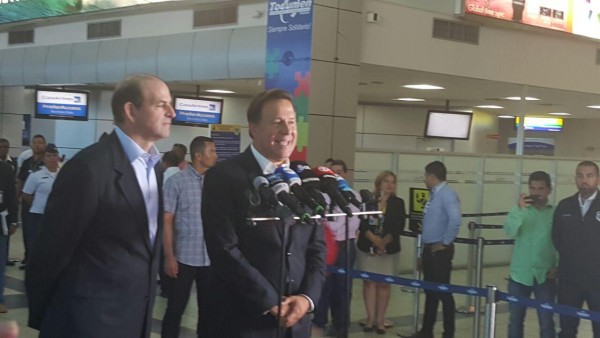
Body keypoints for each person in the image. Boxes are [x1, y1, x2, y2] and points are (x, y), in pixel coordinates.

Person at [25, 74, 175, 338]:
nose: (172, 112)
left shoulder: (155, 168)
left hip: (133, 318)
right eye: (161, 105)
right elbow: (49, 253)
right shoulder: (90, 168)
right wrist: (49, 318)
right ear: (130, 110)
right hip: (86, 322)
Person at [200, 88, 326, 337]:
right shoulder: (224, 177)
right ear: (254, 128)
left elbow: (316, 248)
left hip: (297, 323)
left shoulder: (303, 179)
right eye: (277, 122)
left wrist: (306, 298)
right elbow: (223, 248)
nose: (287, 131)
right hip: (241, 320)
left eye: (291, 122)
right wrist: (270, 301)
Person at [161, 136, 217, 338]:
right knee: (175, 309)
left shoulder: (216, 182)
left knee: (209, 312)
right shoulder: (176, 182)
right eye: (212, 151)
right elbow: (166, 220)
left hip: (210, 258)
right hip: (184, 257)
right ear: (198, 155)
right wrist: (169, 256)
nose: (216, 156)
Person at [403, 161, 461, 338]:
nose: (424, 180)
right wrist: (422, 253)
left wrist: (445, 242)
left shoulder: (447, 194)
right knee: (431, 292)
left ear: (432, 176)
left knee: (444, 293)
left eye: (425, 176)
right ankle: (426, 331)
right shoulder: (435, 194)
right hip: (430, 250)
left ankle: (448, 333)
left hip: (440, 252)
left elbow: (455, 220)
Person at [504, 171, 557, 338]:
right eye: (533, 188)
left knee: (547, 322)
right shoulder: (520, 210)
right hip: (520, 274)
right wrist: (519, 209)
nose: (536, 193)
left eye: (541, 188)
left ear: (549, 190)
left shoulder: (555, 213)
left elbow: (563, 242)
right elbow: (509, 230)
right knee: (515, 321)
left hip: (545, 275)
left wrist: (557, 266)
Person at [312, 159, 361, 337]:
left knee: (343, 289)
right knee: (324, 287)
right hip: (327, 245)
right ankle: (319, 323)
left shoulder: (352, 194)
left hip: (345, 245)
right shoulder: (321, 196)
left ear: (345, 174)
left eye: (339, 171)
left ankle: (341, 326)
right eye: (332, 172)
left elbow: (353, 222)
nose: (336, 175)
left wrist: (333, 230)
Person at [552, 160, 600, 338]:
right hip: (569, 279)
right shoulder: (565, 206)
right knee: (567, 328)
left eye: (589, 176)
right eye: (580, 176)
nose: (584, 180)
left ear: (598, 179)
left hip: (597, 280)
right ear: (575, 179)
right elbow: (556, 237)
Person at [356, 170, 405, 335]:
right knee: (369, 283)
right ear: (379, 184)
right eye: (386, 181)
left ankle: (380, 320)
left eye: (392, 182)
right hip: (368, 247)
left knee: (384, 284)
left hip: (388, 249)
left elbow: (398, 226)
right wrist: (374, 240)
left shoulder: (398, 203)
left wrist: (383, 243)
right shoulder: (369, 200)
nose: (390, 184)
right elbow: (362, 224)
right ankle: (370, 318)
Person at [21, 144, 60, 261]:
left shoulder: (63, 174)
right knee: (36, 247)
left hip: (56, 217)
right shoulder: (36, 175)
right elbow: (26, 194)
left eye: (54, 155)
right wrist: (38, 204)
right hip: (38, 216)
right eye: (49, 156)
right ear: (44, 158)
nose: (52, 158)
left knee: (53, 248)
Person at [17, 134, 46, 269]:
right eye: (35, 143)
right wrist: (17, 197)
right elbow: (20, 181)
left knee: (39, 233)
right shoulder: (27, 162)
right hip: (27, 204)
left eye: (40, 143)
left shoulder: (47, 162)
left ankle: (37, 260)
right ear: (31, 145)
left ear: (44, 145)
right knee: (27, 232)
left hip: (41, 205)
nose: (37, 145)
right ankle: (28, 257)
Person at [0, 161, 18, 313]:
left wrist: (13, 220)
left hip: (1, 221)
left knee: (0, 263)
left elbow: (12, 195)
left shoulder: (5, 168)